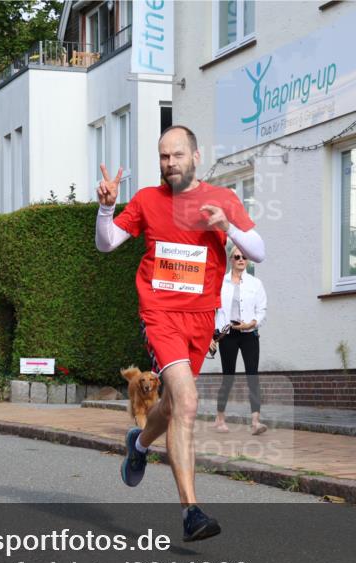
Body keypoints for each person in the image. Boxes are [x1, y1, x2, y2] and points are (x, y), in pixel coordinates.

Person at [95, 125, 266, 541]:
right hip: (160, 315)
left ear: (195, 156)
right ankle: (191, 511)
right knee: (188, 401)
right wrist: (106, 208)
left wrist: (228, 226)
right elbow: (107, 243)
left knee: (172, 406)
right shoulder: (147, 200)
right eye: (163, 157)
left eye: (177, 155)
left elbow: (259, 250)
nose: (169, 163)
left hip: (201, 319)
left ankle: (139, 444)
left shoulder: (222, 199)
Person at [212, 247, 268, 435]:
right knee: (228, 377)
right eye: (237, 256)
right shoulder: (221, 283)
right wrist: (214, 335)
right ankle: (220, 418)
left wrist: (252, 323)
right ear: (231, 259)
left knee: (253, 375)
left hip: (249, 334)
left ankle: (256, 422)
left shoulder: (255, 283)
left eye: (244, 256)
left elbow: (262, 310)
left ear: (248, 260)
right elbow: (214, 310)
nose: (241, 259)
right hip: (228, 335)